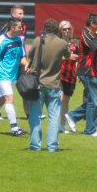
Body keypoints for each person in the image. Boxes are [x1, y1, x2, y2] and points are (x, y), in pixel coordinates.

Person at [26, 19, 70, 152]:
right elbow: (67, 55)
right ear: (57, 29)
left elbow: (30, 55)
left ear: (45, 28)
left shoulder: (38, 40)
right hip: (54, 84)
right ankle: (52, 146)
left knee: (35, 115)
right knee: (54, 116)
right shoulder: (62, 43)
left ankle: (35, 145)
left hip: (38, 83)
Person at [57, 20, 79, 134]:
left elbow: (78, 58)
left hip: (71, 75)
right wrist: (67, 57)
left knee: (65, 101)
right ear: (60, 30)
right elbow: (53, 58)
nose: (66, 31)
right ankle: (56, 124)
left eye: (68, 29)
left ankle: (62, 125)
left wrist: (79, 72)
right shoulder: (58, 42)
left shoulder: (74, 43)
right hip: (59, 74)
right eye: (64, 29)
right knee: (60, 100)